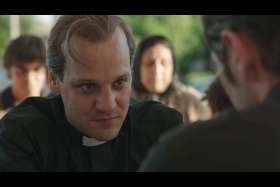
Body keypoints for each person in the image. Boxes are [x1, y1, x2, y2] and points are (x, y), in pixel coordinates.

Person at [0, 15, 183, 172]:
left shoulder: (161, 129)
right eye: (88, 87)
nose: (108, 105)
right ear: (54, 79)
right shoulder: (22, 136)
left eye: (119, 83)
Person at [139, 15, 280, 171]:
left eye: (216, 61)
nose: (157, 71)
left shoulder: (183, 155)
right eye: (150, 63)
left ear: (236, 51)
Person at [131, 35, 211, 123]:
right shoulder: (125, 101)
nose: (157, 71)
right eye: (150, 64)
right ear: (138, 67)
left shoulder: (192, 101)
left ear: (173, 67)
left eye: (164, 63)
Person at [0, 35, 47, 118]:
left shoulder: (59, 108)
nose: (29, 79)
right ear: (8, 70)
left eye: (37, 70)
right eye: (21, 71)